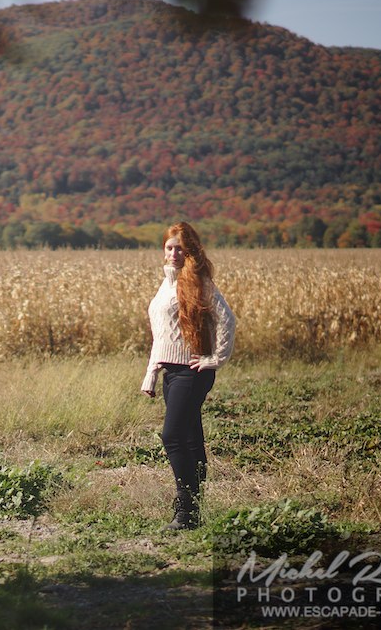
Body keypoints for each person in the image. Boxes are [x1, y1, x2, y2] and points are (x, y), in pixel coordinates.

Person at [141, 222, 236, 531]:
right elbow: (161, 335)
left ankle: (186, 509)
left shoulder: (199, 281)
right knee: (191, 438)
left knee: (172, 436)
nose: (174, 252)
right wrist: (151, 374)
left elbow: (227, 321)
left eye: (180, 247)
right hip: (172, 370)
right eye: (169, 247)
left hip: (192, 372)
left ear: (191, 250)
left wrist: (213, 358)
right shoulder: (166, 284)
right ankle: (193, 511)